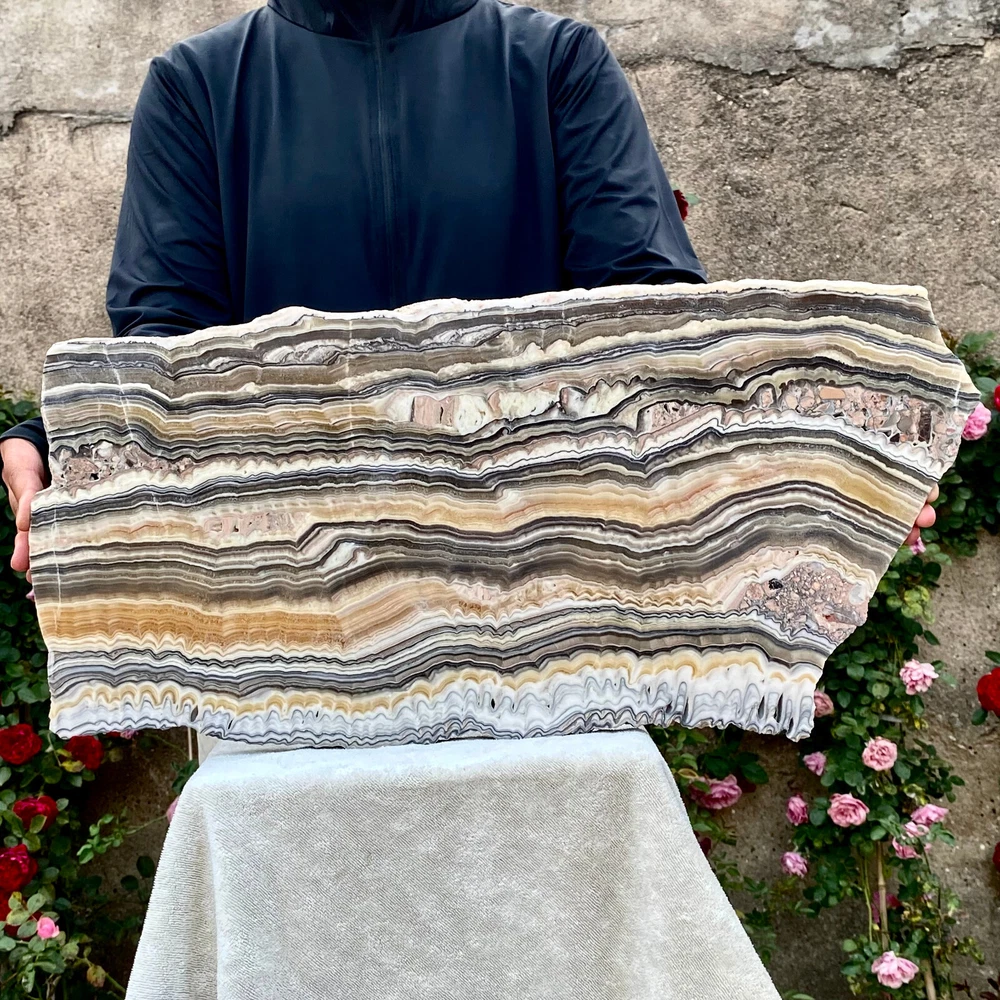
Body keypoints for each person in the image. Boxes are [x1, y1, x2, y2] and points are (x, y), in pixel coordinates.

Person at [0, 0, 936, 573]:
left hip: (545, 590)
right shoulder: (197, 87)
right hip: (287, 607)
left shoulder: (556, 65)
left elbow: (646, 321)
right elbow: (169, 342)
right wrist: (57, 446)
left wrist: (807, 453)